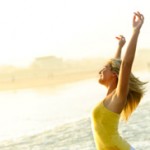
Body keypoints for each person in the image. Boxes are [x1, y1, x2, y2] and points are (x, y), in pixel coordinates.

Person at [91, 11, 146, 150]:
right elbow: (117, 65)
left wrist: (135, 31)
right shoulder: (110, 97)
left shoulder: (118, 96)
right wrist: (119, 47)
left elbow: (125, 64)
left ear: (115, 74)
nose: (100, 71)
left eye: (104, 68)